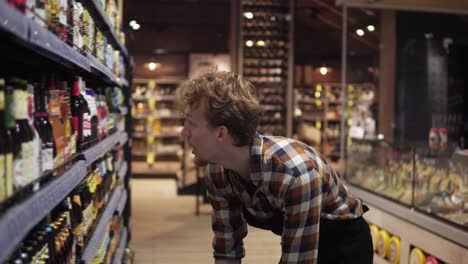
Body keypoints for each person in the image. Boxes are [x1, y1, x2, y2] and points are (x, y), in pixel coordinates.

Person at [175, 71, 373, 264]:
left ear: (221, 134)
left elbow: (299, 259)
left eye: (191, 123)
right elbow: (226, 249)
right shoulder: (218, 169)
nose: (184, 132)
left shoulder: (294, 173)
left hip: (345, 246)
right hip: (300, 241)